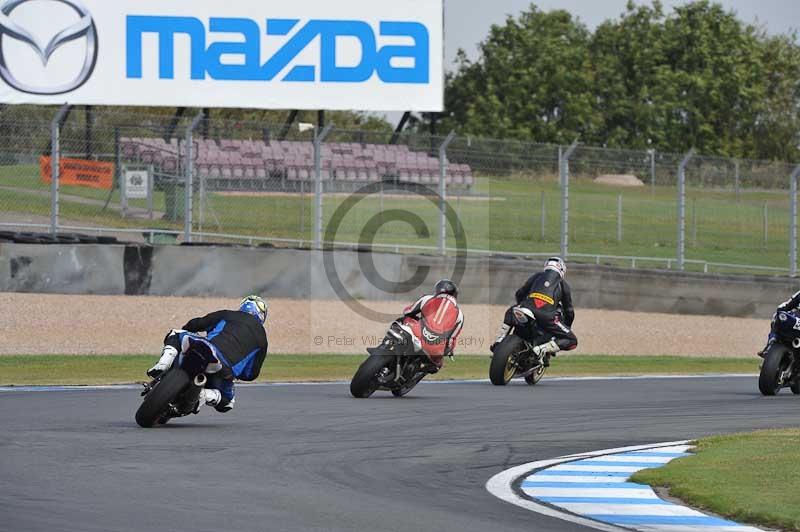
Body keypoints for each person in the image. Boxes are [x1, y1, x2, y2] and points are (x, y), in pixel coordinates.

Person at [147, 295, 269, 412]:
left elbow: (197, 324)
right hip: (224, 369)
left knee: (176, 333)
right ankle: (205, 395)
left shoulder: (228, 314)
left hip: (206, 348)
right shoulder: (262, 340)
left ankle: (163, 364)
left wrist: (188, 328)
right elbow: (251, 374)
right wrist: (236, 373)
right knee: (227, 403)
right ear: (261, 315)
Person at [492, 257, 577, 365]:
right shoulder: (563, 285)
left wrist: (522, 304)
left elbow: (520, 293)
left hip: (526, 309)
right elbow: (569, 311)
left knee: (511, 310)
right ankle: (542, 349)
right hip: (547, 318)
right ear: (562, 270)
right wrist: (567, 327)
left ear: (546, 266)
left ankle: (501, 338)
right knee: (572, 340)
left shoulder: (537, 276)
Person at [401, 279, 464, 373]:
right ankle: (415, 372)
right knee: (437, 365)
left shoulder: (427, 298)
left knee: (402, 321)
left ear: (438, 290)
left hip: (418, 334)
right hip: (436, 348)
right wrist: (448, 351)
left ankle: (388, 345)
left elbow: (408, 311)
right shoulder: (460, 315)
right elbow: (451, 340)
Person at [757, 290, 800, 358]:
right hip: (796, 318)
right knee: (777, 316)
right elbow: (789, 304)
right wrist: (781, 311)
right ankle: (770, 345)